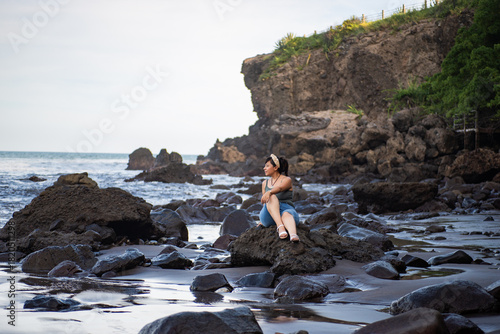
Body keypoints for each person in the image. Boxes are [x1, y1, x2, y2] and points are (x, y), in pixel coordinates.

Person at [258, 154, 300, 242]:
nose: (264, 168)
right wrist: (261, 221)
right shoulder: (265, 183)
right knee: (271, 197)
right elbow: (265, 204)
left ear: (275, 167)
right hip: (269, 216)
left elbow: (280, 188)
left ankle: (293, 235)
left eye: (267, 166)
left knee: (286, 214)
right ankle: (280, 227)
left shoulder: (286, 180)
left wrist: (269, 192)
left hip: (286, 210)